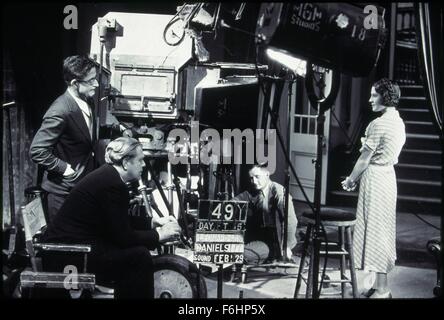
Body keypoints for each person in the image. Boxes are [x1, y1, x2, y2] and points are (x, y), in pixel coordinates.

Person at [43, 137, 181, 299]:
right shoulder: (113, 185)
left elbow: (117, 221)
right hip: (70, 254)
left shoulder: (108, 177)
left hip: (73, 248)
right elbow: (123, 237)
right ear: (125, 163)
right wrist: (159, 235)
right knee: (139, 257)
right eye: (140, 160)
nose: (144, 165)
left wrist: (152, 222)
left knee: (135, 254)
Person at [341, 78, 406, 299]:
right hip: (389, 178)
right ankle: (379, 286)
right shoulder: (398, 122)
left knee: (375, 232)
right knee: (382, 231)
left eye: (374, 95)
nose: (370, 100)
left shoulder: (378, 124)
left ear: (385, 97)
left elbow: (363, 159)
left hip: (376, 178)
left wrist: (350, 180)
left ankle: (382, 288)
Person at [29, 55, 101, 223]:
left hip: (82, 186)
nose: (96, 84)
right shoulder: (60, 111)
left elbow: (85, 130)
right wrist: (65, 169)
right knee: (66, 243)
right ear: (75, 83)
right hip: (62, 192)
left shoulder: (87, 101)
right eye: (91, 81)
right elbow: (37, 151)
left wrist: (118, 127)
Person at [234, 163, 298, 263]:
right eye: (251, 178)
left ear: (267, 174)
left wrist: (287, 246)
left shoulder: (279, 193)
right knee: (231, 249)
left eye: (257, 177)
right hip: (259, 237)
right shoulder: (253, 191)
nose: (254, 181)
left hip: (275, 241)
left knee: (242, 254)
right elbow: (234, 202)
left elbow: (290, 220)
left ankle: (273, 255)